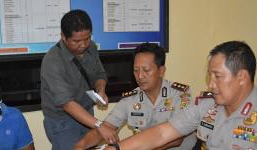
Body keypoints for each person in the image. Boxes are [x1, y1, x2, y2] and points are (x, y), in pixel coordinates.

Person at [105, 41, 257, 150]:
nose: (211, 85)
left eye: (217, 76)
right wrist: (117, 148)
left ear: (242, 77)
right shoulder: (207, 106)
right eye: (210, 76)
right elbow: (162, 133)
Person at [74, 43, 197, 150]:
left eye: (146, 70)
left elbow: (177, 139)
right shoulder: (130, 99)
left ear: (161, 71)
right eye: (135, 70)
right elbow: (106, 128)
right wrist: (81, 145)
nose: (140, 76)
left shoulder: (179, 95)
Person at [40, 9, 109, 150]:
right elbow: (67, 104)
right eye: (76, 41)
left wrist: (101, 90)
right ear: (63, 37)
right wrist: (99, 125)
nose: (83, 45)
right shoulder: (53, 61)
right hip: (62, 121)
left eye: (87, 38)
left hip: (87, 113)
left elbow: (99, 75)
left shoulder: (92, 48)